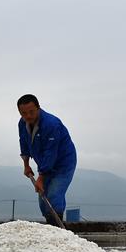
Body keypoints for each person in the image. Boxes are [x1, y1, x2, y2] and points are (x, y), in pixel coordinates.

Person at [16, 94, 77, 225]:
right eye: (24, 113)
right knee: (43, 200)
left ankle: (58, 230)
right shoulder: (22, 123)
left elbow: (51, 152)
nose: (28, 116)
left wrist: (41, 177)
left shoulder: (51, 124)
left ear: (38, 108)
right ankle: (50, 226)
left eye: (31, 112)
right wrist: (26, 165)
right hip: (44, 163)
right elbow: (24, 143)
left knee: (54, 195)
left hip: (63, 163)